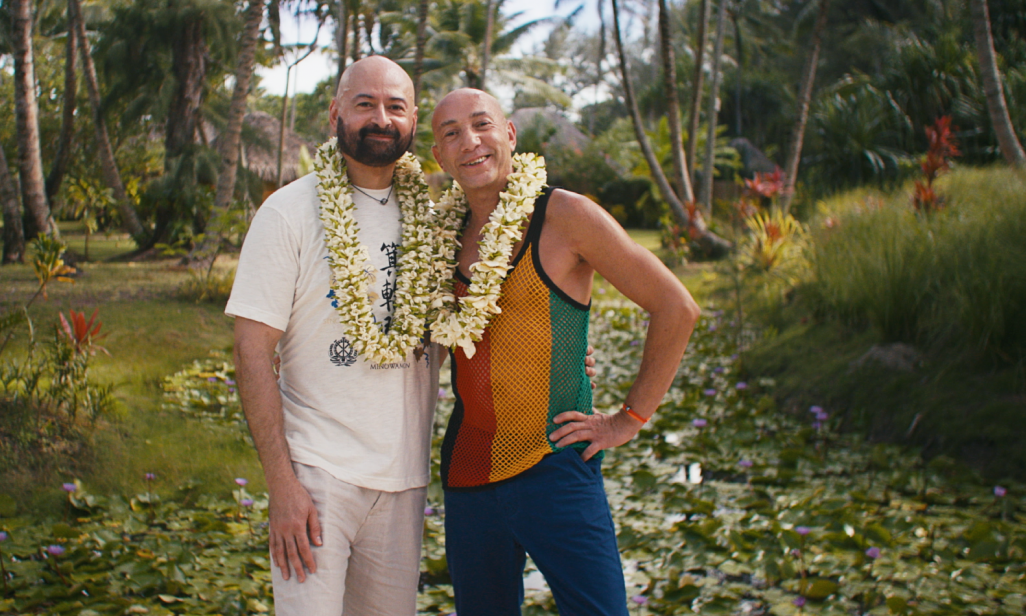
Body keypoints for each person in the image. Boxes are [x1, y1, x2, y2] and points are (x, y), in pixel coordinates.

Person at [429, 88, 701, 616]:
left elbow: (675, 306)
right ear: (439, 157)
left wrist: (629, 418)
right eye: (451, 133)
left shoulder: (565, 215)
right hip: (468, 470)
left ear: (509, 134)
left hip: (555, 464)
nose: (471, 141)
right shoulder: (441, 237)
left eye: (482, 124)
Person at [226, 56, 438, 616]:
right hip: (317, 476)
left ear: (414, 118)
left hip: (404, 477)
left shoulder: (436, 218)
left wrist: (565, 352)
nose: (381, 118)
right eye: (364, 103)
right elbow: (251, 352)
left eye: (395, 106)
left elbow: (482, 319)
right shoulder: (287, 212)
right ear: (335, 112)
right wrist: (282, 485)